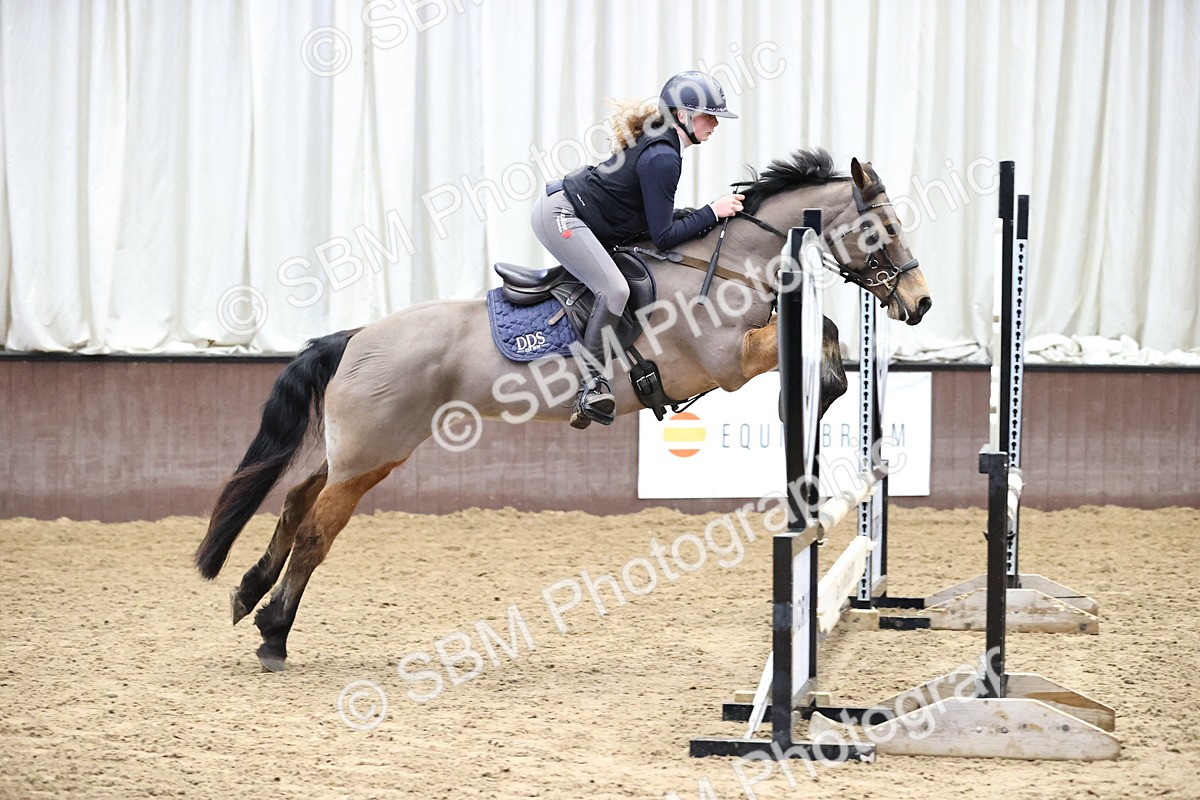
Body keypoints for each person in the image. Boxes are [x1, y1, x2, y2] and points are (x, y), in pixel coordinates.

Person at [531, 71, 745, 429]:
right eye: (709, 116)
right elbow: (662, 237)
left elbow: (654, 224)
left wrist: (703, 214)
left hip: (575, 212)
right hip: (561, 215)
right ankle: (590, 383)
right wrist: (712, 211)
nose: (715, 124)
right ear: (682, 116)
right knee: (614, 289)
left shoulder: (665, 147)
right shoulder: (663, 157)